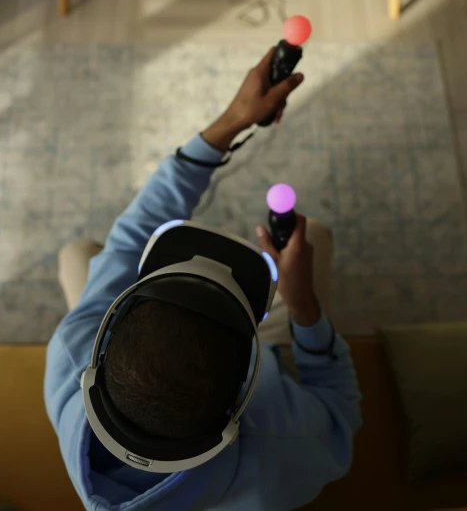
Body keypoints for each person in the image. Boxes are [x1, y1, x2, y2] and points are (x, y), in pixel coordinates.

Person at [44, 47, 362, 511]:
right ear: (241, 398)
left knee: (81, 257)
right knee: (316, 237)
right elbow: (340, 411)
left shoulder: (71, 354)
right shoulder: (280, 440)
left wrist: (231, 121)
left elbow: (132, 238)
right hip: (277, 392)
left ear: (103, 351)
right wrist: (305, 306)